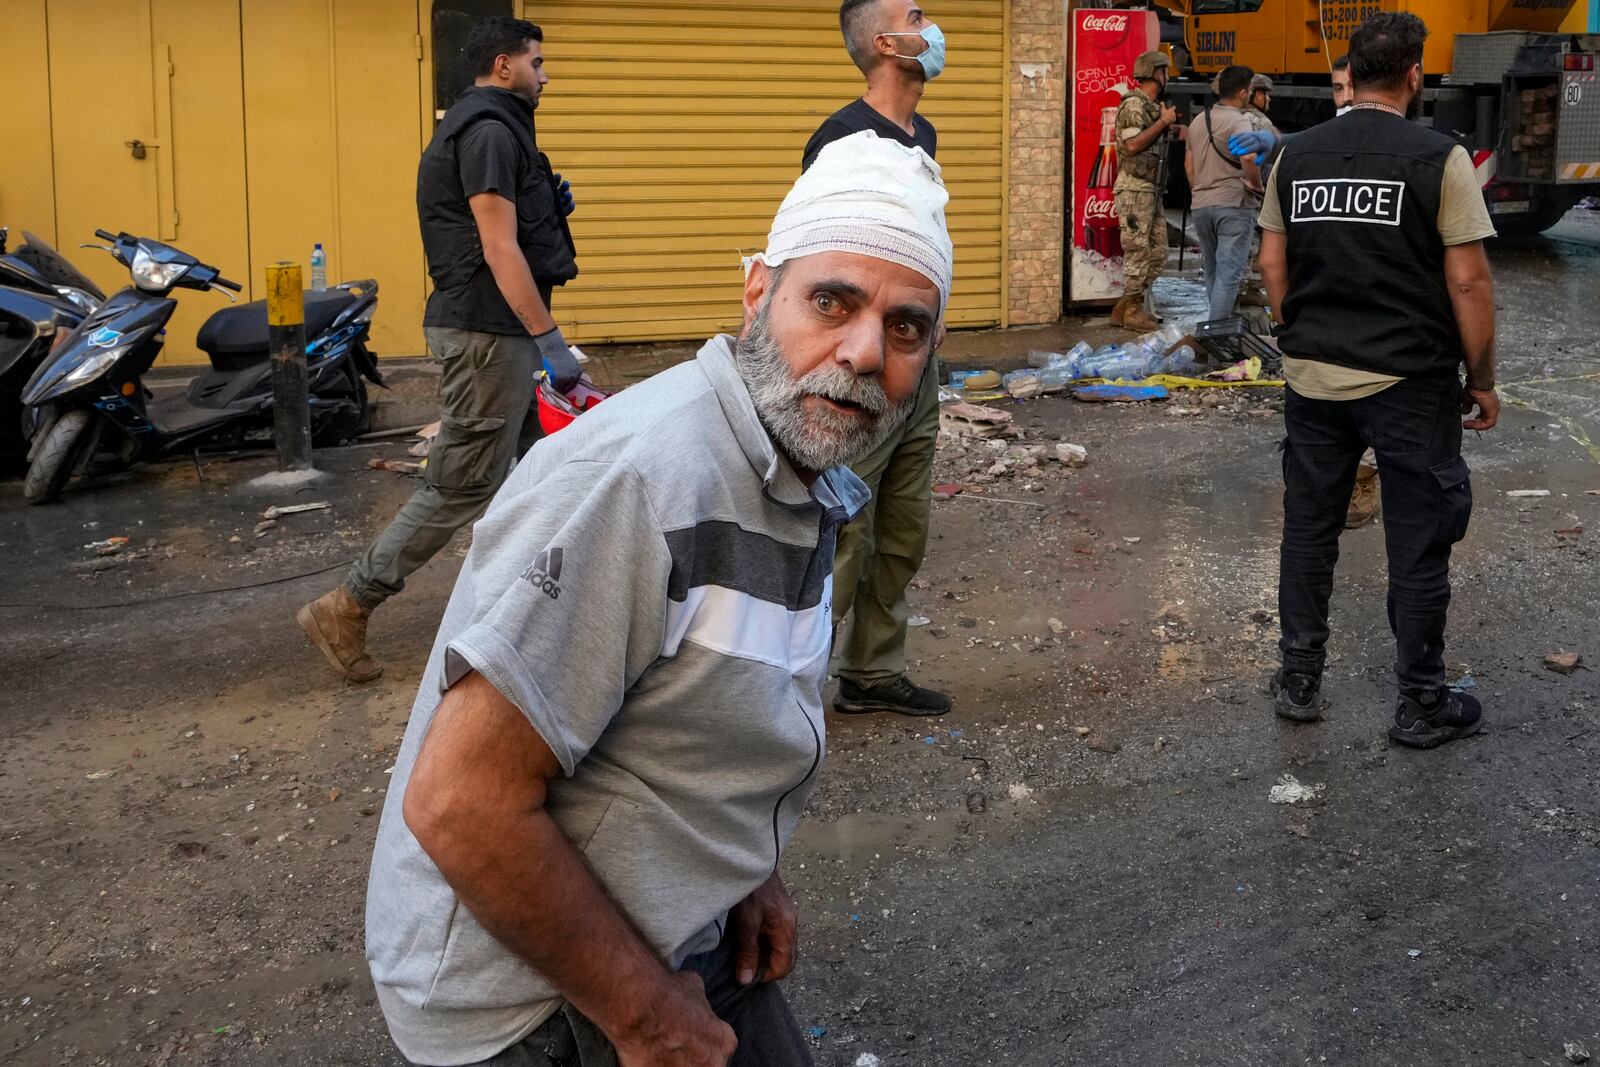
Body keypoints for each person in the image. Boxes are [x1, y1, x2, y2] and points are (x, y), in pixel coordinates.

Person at [364, 131, 952, 1067]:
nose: (864, 351)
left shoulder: (795, 469)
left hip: (677, 930)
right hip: (532, 1003)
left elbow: (700, 712)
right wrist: (642, 1016)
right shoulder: (645, 480)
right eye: (831, 301)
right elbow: (461, 800)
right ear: (758, 293)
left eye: (907, 326)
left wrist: (743, 870)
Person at [298, 17, 581, 684]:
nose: (546, 75)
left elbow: (515, 228)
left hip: (495, 330)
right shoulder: (486, 131)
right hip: (487, 333)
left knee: (540, 474)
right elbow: (497, 246)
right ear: (504, 66)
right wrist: (549, 339)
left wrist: (549, 202)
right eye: (537, 63)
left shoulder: (496, 127)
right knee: (463, 483)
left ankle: (536, 609)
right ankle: (348, 604)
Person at [1258, 12, 1498, 749]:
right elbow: (1469, 282)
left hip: (1314, 376)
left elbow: (1273, 264)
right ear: (1415, 77)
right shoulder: (1438, 158)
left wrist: (1293, 330)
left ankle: (1299, 679)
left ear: (1351, 76)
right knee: (1418, 539)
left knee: (1310, 527)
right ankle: (1421, 702)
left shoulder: (1294, 155)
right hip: (1409, 381)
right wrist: (1481, 375)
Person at [803, 0, 952, 717]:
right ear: (888, 43)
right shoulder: (839, 140)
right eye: (919, 13)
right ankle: (789, 682)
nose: (935, 24)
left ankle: (872, 671)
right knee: (842, 528)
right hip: (861, 370)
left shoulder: (921, 133)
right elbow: (818, 266)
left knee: (901, 526)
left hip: (918, 366)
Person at [1227, 57, 1383, 527]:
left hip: (1375, 338)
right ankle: (1354, 486)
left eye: (1350, 88)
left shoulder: (1398, 154)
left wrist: (1285, 325)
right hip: (1326, 334)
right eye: (1337, 90)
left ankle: (1359, 485)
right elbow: (1272, 261)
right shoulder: (1309, 156)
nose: (1346, 99)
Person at [1184, 65, 1263, 325]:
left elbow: (1189, 165)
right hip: (1232, 204)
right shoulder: (1239, 121)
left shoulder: (1198, 121)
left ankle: (1215, 329)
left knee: (1213, 272)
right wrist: (1256, 185)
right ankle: (1215, 335)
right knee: (1229, 275)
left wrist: (1202, 190)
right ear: (1243, 93)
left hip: (1202, 205)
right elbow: (1249, 156)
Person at [1112, 51, 1179, 333]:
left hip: (1150, 189)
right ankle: (1133, 311)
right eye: (1165, 71)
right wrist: (1162, 123)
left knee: (1159, 252)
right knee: (1138, 251)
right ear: (1156, 73)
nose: (1168, 77)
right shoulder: (1134, 105)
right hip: (1135, 190)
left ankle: (1125, 306)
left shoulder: (1150, 106)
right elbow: (1132, 146)